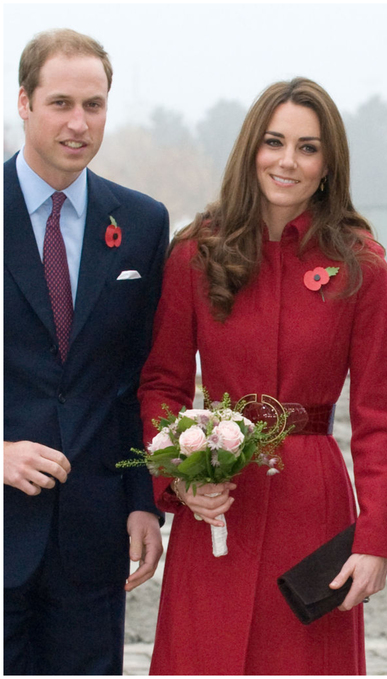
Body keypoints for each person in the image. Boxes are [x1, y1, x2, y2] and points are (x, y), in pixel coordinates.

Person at [137, 77, 387, 675]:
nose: (288, 161)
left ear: (328, 163)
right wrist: (180, 481)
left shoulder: (361, 264)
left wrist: (377, 539)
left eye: (308, 147)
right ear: (251, 148)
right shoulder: (194, 254)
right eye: (274, 142)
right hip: (217, 499)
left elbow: (379, 417)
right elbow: (163, 386)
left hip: (315, 504)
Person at [4, 29, 167, 675]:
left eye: (93, 105)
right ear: (23, 102)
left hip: (94, 538)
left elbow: (137, 377)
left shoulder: (142, 222)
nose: (79, 123)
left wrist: (141, 498)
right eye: (61, 103)